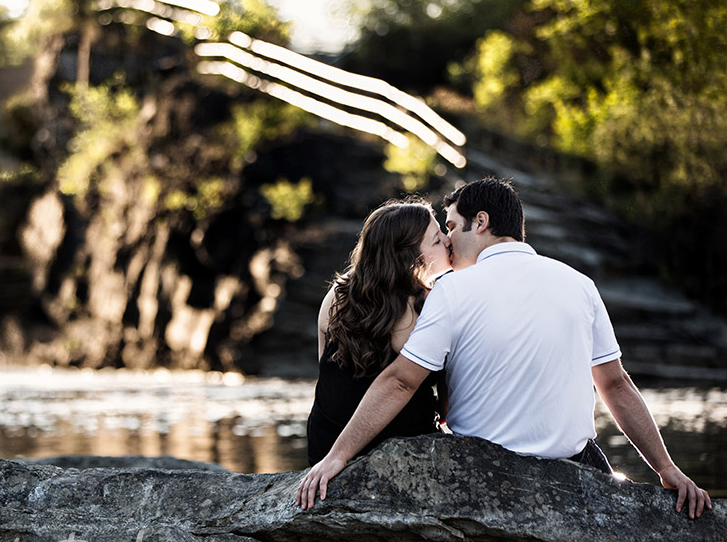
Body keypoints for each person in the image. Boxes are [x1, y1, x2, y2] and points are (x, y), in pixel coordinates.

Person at [297, 177, 712, 519]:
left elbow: (402, 382)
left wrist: (336, 456)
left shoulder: (451, 291)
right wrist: (666, 468)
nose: (448, 241)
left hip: (483, 472)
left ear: (480, 222)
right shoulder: (580, 284)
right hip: (573, 467)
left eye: (451, 228)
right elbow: (617, 385)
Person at [307, 197, 452, 465]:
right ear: (408, 257)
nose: (448, 240)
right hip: (400, 452)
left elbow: (327, 376)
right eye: (436, 240)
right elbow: (447, 410)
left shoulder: (338, 293)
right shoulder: (428, 304)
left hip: (324, 443)